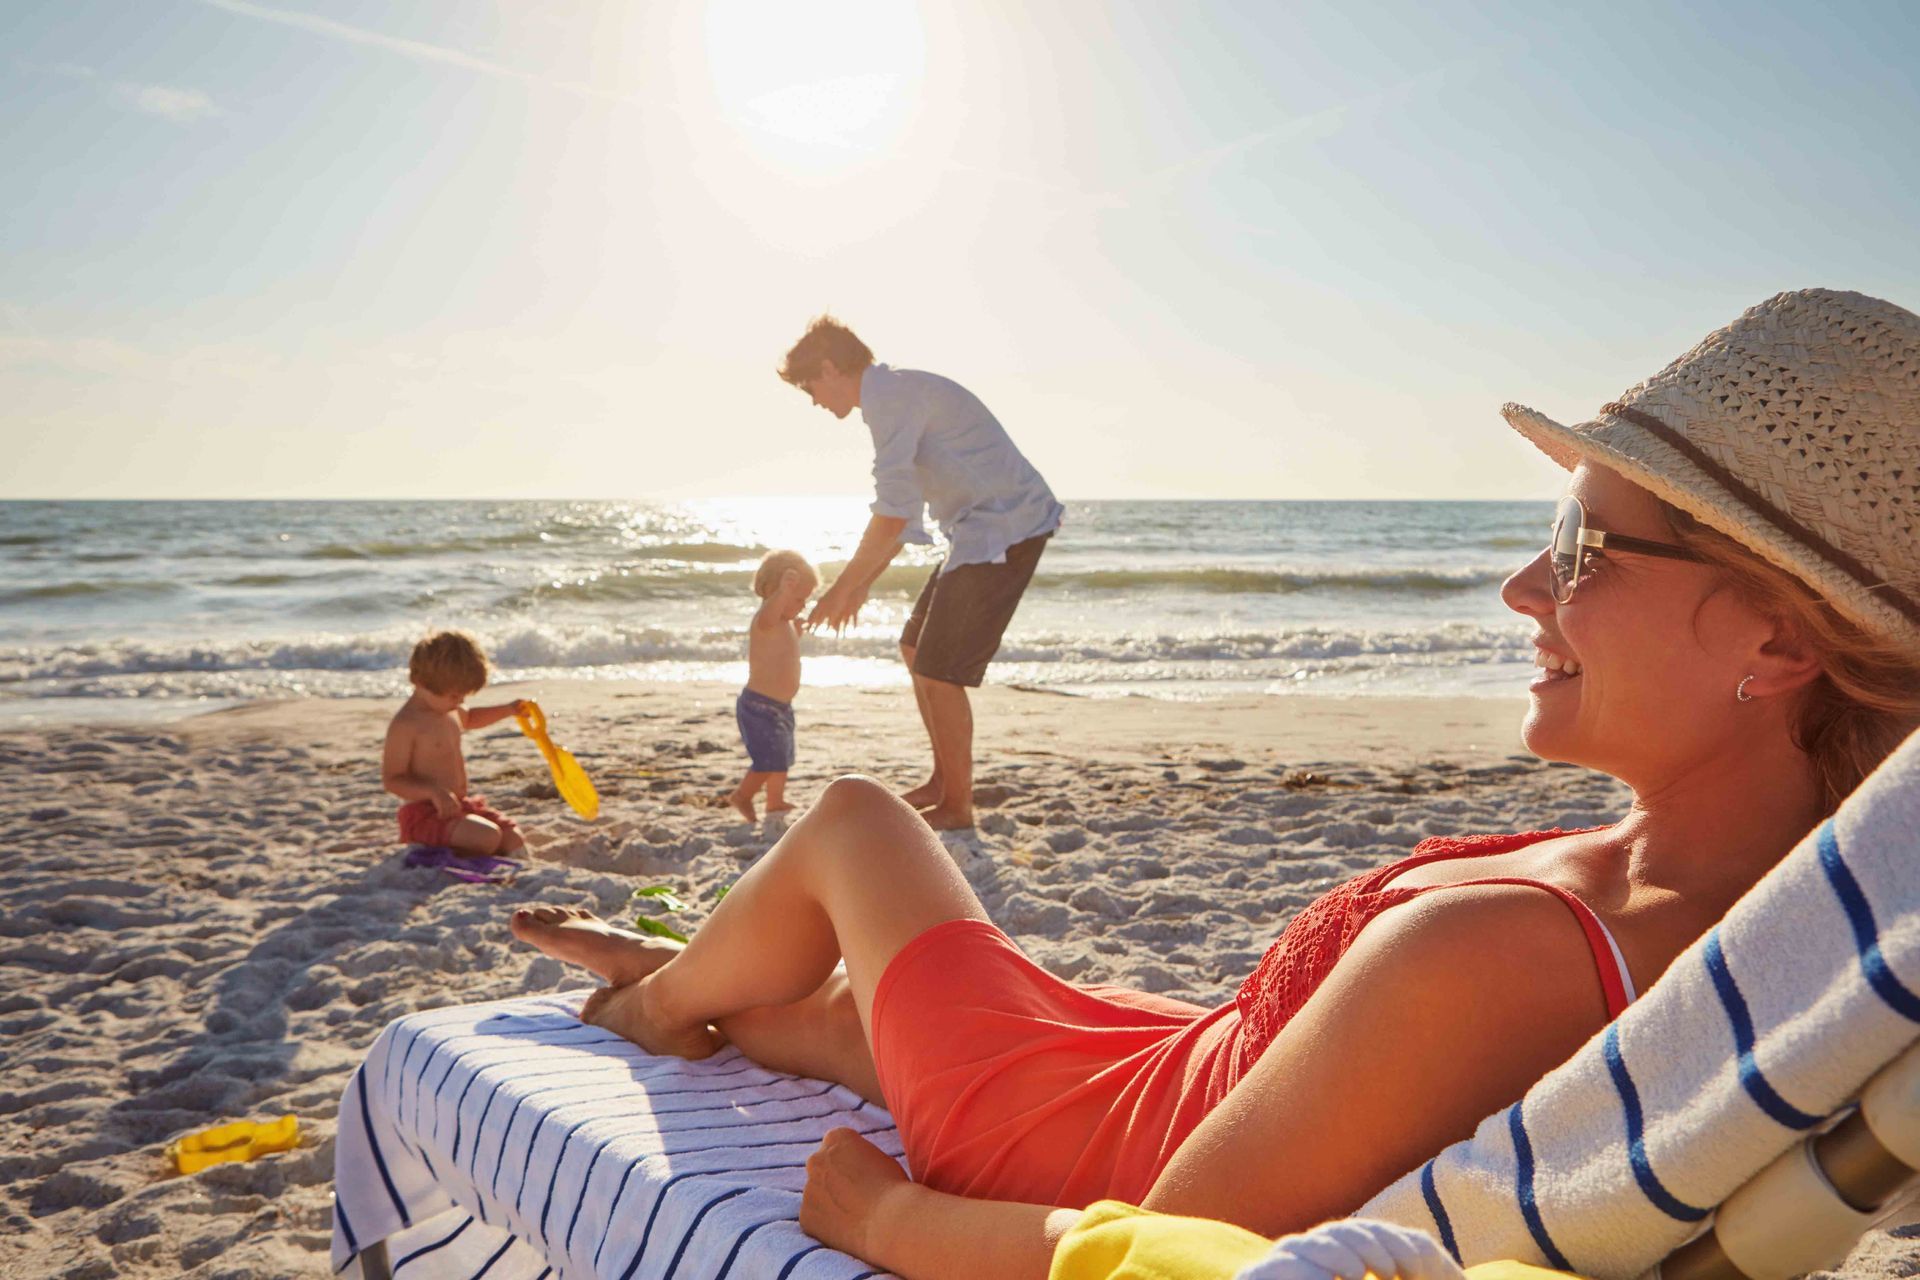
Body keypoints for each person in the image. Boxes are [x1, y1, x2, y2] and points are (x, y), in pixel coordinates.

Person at [511, 289, 1920, 1279]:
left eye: (1584, 549)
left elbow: (1179, 1265)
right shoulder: (1721, 913)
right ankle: (695, 983)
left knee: (856, 820)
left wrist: (887, 1225)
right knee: (825, 1016)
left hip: (1068, 1147)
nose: (1518, 585)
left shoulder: (1505, 952)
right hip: (1164, 1064)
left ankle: (648, 1003)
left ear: (1782, 636)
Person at [780, 316, 1064, 830]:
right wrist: (857, 585)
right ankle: (943, 783)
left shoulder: (892, 397)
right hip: (978, 529)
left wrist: (844, 589)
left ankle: (958, 806)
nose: (815, 401)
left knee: (939, 670)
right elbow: (902, 513)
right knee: (916, 651)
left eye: (811, 387)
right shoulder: (891, 396)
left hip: (1006, 528)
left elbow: (891, 514)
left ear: (829, 367)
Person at [383, 631, 529, 857]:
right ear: (421, 683)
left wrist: (509, 710)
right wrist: (434, 793)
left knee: (513, 839)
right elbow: (392, 779)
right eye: (454, 696)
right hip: (426, 814)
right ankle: (430, 849)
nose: (460, 701)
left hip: (459, 806)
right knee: (488, 837)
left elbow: (470, 719)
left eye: (463, 695)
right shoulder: (407, 724)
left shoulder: (448, 709)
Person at [732, 550, 819, 823]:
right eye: (798, 598)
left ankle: (774, 801)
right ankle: (742, 796)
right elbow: (770, 615)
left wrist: (798, 631)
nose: (802, 605)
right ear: (774, 590)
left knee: (782, 759)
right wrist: (783, 592)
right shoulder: (765, 619)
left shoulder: (785, 623)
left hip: (781, 706)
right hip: (759, 706)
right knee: (767, 761)